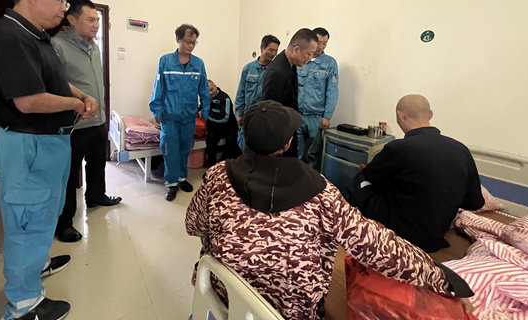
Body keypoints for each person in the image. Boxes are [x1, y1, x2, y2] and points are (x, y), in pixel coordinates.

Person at [185, 100, 473, 320]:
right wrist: (443, 279)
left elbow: (193, 225)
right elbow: (376, 245)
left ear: (245, 137)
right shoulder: (321, 192)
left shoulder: (218, 175)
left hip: (222, 293)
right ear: (287, 143)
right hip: (290, 312)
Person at [0, 0, 98, 320]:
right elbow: (29, 100)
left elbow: (55, 81)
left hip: (48, 145)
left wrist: (82, 95)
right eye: (59, 0)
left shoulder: (37, 37)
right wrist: (76, 104)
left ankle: (38, 265)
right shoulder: (9, 37)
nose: (64, 8)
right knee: (27, 224)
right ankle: (23, 305)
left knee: (42, 216)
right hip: (28, 146)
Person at [345, 94, 485, 253]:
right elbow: (474, 203)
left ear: (401, 115)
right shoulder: (461, 149)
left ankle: (351, 230)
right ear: (430, 115)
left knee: (360, 180)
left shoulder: (399, 148)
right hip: (437, 233)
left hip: (405, 231)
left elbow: (371, 176)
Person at [51, 0, 122, 243]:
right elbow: (54, 83)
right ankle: (64, 222)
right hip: (73, 124)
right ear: (71, 19)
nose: (96, 25)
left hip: (97, 120)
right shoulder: (57, 46)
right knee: (69, 175)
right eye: (91, 19)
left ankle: (96, 196)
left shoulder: (93, 46)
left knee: (97, 164)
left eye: (97, 20)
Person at [149, 24, 210, 201]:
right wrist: (156, 109)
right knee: (170, 149)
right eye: (188, 41)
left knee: (185, 148)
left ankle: (182, 178)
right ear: (178, 39)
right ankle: (172, 182)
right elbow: (158, 87)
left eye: (194, 42)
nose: (191, 45)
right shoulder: (166, 61)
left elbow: (204, 89)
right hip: (169, 116)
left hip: (189, 116)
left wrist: (205, 109)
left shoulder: (198, 64)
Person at [262, 28, 318, 157]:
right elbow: (270, 111)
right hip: (278, 137)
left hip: (288, 129)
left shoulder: (290, 65)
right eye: (309, 54)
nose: (310, 58)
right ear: (296, 49)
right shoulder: (277, 71)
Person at [297, 27, 338, 171]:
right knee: (296, 151)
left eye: (325, 43)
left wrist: (327, 116)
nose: (321, 46)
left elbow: (332, 91)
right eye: (319, 42)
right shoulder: (301, 59)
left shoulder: (329, 63)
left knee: (313, 154)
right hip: (297, 114)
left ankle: (312, 180)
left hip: (316, 116)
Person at [235, 34, 280, 152]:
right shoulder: (248, 68)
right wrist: (239, 113)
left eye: (276, 51)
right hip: (248, 116)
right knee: (245, 149)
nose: (273, 53)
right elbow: (241, 92)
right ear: (262, 48)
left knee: (261, 151)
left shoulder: (275, 71)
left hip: (265, 118)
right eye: (271, 50)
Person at [205, 80, 242, 167]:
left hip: (229, 126)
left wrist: (207, 117)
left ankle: (226, 165)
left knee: (231, 141)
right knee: (210, 142)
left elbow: (225, 118)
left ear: (215, 86)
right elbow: (201, 108)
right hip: (215, 127)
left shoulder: (225, 98)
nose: (210, 93)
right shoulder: (206, 97)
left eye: (211, 89)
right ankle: (211, 167)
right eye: (207, 91)